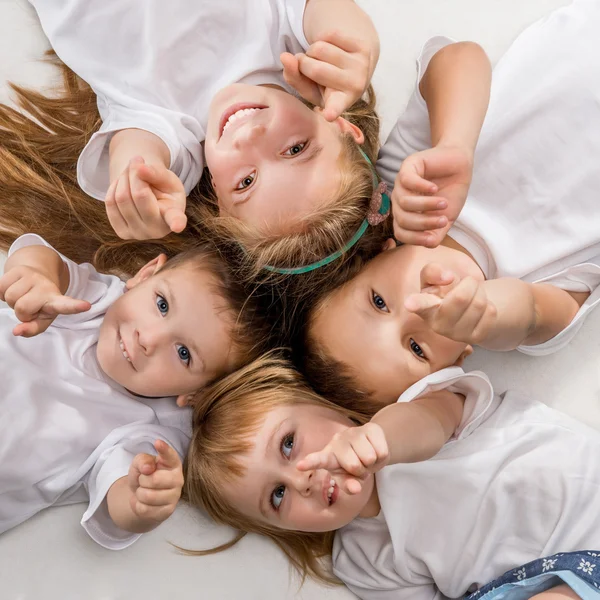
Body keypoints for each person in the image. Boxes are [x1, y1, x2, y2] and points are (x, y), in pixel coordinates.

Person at [0, 0, 490, 281]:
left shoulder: (177, 132)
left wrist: (137, 184)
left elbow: (139, 145)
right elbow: (323, 12)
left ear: (219, 204)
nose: (249, 139)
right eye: (296, 149)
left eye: (247, 181)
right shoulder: (291, 48)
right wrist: (356, 48)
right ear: (340, 125)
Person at [301, 0, 600, 406]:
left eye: (379, 301)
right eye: (417, 349)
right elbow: (534, 314)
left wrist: (454, 144)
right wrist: (487, 318)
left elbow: (458, 57)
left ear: (376, 257)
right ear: (457, 361)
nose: (416, 311)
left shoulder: (401, 188)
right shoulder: (519, 313)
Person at [183, 354, 600, 599]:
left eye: (289, 444)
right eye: (277, 496)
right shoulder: (363, 562)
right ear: (284, 528)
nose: (301, 480)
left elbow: (429, 424)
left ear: (321, 404)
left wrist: (379, 438)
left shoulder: (413, 405)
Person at [0, 233, 267, 546]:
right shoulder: (97, 302)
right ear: (146, 274)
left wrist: (143, 503)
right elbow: (43, 256)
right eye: (162, 305)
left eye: (183, 353)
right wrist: (37, 275)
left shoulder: (152, 430)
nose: (148, 338)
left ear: (197, 394)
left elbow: (120, 496)